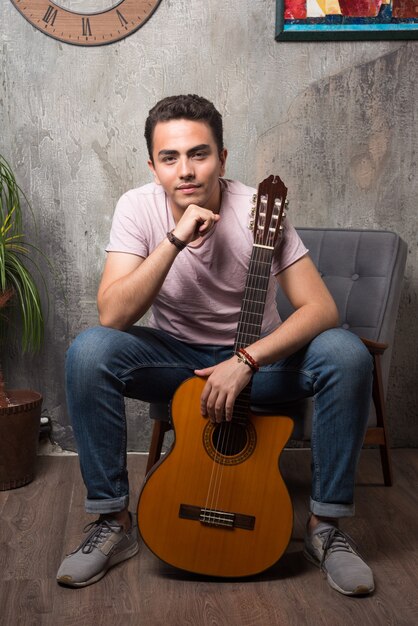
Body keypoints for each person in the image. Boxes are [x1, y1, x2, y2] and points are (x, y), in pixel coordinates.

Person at [57, 94, 374, 596]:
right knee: (90, 351)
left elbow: (322, 309)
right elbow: (113, 315)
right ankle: (112, 523)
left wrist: (246, 359)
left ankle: (326, 527)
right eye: (170, 157)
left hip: (259, 362)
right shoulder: (137, 207)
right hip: (176, 360)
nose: (185, 170)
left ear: (222, 159)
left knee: (346, 352)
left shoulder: (259, 209)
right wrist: (175, 239)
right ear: (153, 166)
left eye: (199, 153)